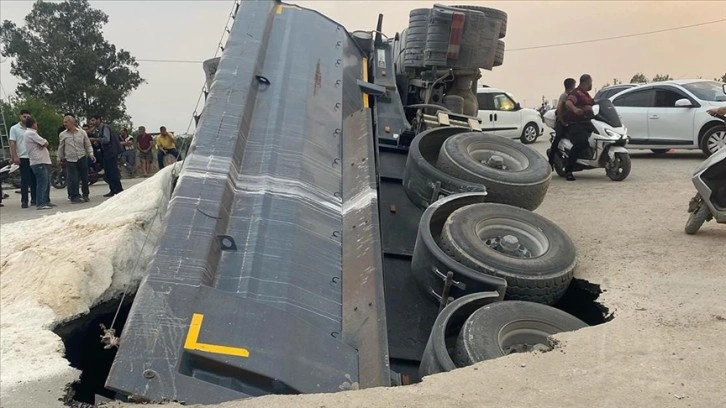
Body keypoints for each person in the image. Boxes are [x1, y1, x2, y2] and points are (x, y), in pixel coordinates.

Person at [563, 74, 596, 181]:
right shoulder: (576, 93)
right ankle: (569, 170)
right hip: (576, 123)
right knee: (581, 142)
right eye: (591, 82)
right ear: (586, 82)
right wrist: (575, 110)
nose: (591, 84)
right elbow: (568, 103)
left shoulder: (587, 95)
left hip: (587, 122)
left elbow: (594, 104)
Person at [58, 115, 96, 203]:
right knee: (73, 178)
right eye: (64, 122)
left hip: (82, 157)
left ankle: (85, 194)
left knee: (85, 178)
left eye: (66, 122)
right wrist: (59, 158)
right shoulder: (63, 134)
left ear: (72, 122)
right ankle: (74, 196)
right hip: (70, 159)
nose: (65, 124)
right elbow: (61, 147)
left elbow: (87, 144)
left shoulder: (82, 133)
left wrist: (91, 154)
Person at [8, 109, 37, 208]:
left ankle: (35, 199)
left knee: (34, 179)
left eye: (28, 117)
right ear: (20, 117)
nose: (26, 118)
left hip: (33, 156)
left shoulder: (32, 128)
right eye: (24, 117)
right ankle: (24, 201)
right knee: (25, 180)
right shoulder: (14, 128)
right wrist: (14, 156)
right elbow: (12, 143)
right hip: (23, 157)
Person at [89, 115, 123, 197]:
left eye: (93, 120)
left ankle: (118, 190)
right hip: (107, 153)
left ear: (98, 120)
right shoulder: (100, 129)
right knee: (108, 172)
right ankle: (113, 189)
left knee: (112, 172)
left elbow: (106, 139)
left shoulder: (105, 127)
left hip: (111, 153)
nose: (92, 122)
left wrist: (95, 139)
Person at [23, 118, 53, 210]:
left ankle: (45, 201)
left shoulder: (29, 133)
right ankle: (40, 203)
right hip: (38, 161)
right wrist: (44, 142)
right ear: (33, 124)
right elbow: (44, 142)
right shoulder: (31, 133)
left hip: (41, 161)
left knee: (46, 182)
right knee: (42, 183)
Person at [548, 78, 577, 167]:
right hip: (562, 122)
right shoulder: (564, 96)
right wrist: (562, 122)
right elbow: (559, 110)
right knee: (558, 138)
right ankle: (551, 160)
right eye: (574, 85)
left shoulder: (572, 95)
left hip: (570, 121)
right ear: (572, 86)